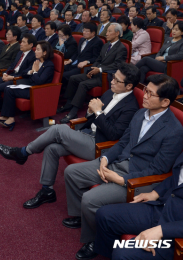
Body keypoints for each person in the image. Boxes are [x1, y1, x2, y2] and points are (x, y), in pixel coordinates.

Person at [63, 74, 183, 260]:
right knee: (72, 172)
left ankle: (93, 239)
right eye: (145, 90)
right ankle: (81, 217)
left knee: (90, 199)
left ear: (165, 101)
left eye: (150, 94)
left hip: (139, 178)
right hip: (118, 163)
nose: (144, 95)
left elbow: (159, 169)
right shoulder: (139, 113)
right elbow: (122, 142)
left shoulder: (174, 130)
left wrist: (121, 180)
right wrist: (105, 158)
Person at [0, 63, 140, 210]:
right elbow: (92, 118)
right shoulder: (110, 92)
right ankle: (47, 190)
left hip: (100, 145)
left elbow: (114, 134)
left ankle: (22, 152)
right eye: (113, 77)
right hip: (87, 134)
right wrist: (91, 112)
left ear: (129, 86)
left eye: (117, 80)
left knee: (58, 129)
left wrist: (98, 113)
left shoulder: (131, 107)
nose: (112, 81)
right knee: (52, 148)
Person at [95, 150, 183, 260]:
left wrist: (162, 230)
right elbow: (177, 177)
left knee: (122, 254)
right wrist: (154, 193)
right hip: (162, 207)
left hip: (176, 228)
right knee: (104, 215)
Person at [0, 41, 54, 130]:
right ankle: (7, 116)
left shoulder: (49, 65)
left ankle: (6, 118)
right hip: (28, 84)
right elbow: (25, 73)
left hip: (37, 90)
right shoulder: (36, 61)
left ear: (44, 52)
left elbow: (40, 82)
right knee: (7, 88)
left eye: (38, 49)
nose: (35, 51)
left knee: (9, 90)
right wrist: (32, 71)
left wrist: (35, 71)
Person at [59, 23, 127, 123]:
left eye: (109, 31)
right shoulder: (106, 45)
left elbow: (117, 65)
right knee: (73, 78)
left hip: (105, 76)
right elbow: (98, 59)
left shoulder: (121, 48)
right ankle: (69, 103)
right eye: (107, 31)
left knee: (83, 84)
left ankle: (74, 112)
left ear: (117, 33)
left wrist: (99, 70)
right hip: (96, 73)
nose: (106, 34)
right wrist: (92, 69)